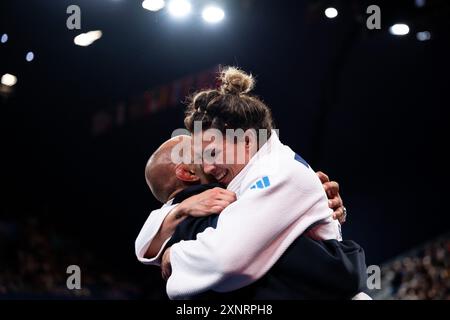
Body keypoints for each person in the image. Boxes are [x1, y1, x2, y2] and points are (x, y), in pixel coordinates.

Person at [147, 67, 367, 299]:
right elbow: (146, 238)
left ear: (246, 141)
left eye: (212, 154)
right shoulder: (249, 175)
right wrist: (181, 211)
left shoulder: (278, 172)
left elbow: (225, 259)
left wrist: (176, 255)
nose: (209, 169)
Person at [135, 136, 368, 299]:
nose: (213, 158)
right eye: (203, 153)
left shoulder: (173, 229)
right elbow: (338, 273)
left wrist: (315, 201)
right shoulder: (220, 205)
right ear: (187, 172)